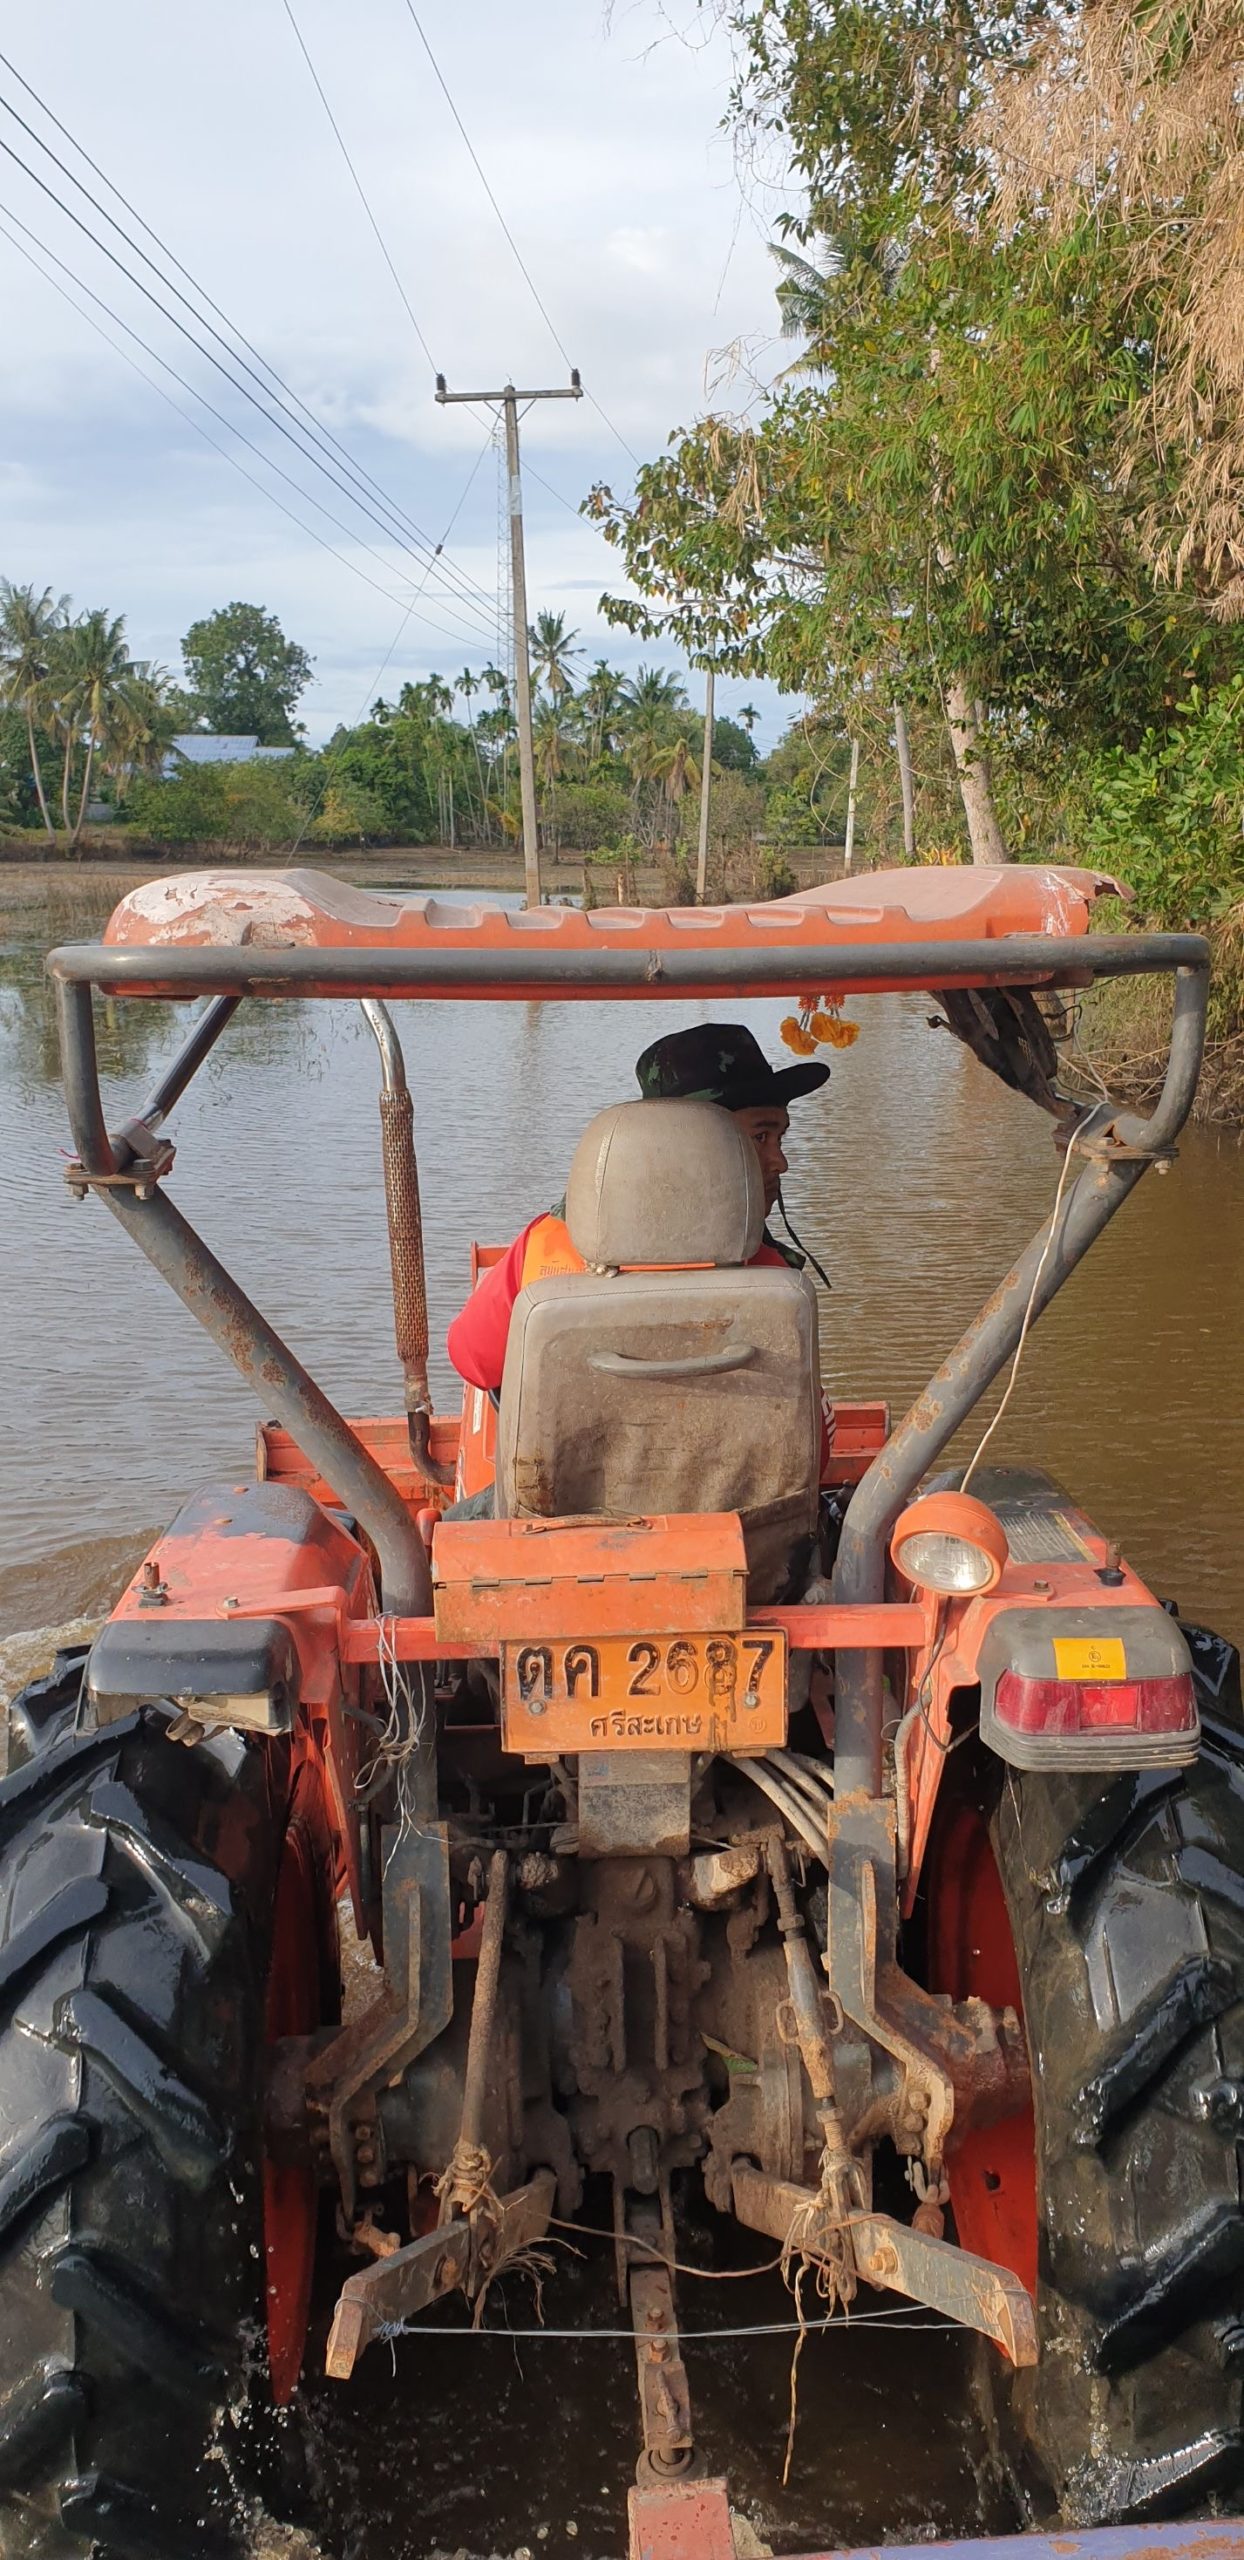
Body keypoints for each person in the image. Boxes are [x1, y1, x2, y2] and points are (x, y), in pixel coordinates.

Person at [446, 1022, 830, 1395]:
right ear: (691, 1143)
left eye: (779, 1138)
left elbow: (474, 1362)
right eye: (760, 1137)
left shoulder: (545, 1246)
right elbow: (808, 1430)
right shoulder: (769, 1277)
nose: (780, 1162)